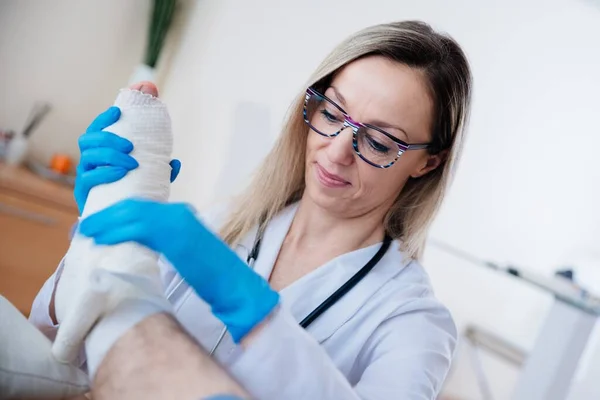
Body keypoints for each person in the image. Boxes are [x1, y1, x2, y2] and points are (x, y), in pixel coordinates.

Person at [30, 20, 472, 400]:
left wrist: (249, 305)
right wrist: (96, 234)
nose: (336, 151)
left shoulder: (412, 322)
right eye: (333, 112)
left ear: (427, 162)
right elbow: (66, 350)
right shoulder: (218, 228)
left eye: (378, 141)